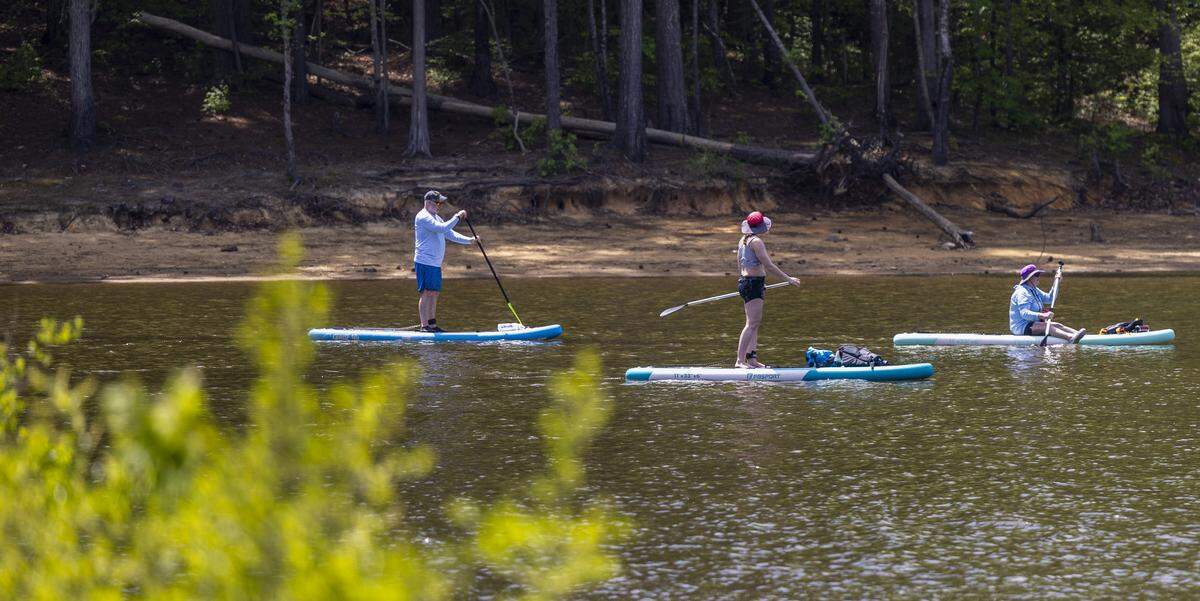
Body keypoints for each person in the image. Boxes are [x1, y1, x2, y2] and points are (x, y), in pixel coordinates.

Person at [735, 211, 801, 368]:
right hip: (752, 284)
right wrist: (789, 279)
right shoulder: (756, 242)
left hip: (749, 283)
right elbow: (769, 265)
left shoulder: (743, 240)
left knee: (753, 323)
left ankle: (752, 359)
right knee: (751, 324)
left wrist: (748, 282)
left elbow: (740, 264)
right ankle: (739, 361)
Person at [414, 190, 477, 332]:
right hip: (424, 261)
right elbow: (442, 228)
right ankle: (424, 326)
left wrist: (470, 240)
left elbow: (449, 233)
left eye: (441, 203)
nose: (439, 206)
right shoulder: (423, 217)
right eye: (438, 203)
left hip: (435, 263)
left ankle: (432, 325)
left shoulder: (436, 217)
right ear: (429, 202)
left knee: (434, 292)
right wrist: (457, 216)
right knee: (426, 293)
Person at [1009, 263, 1086, 343]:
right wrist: (1043, 315)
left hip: (1032, 324)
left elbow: (1050, 298)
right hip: (1021, 327)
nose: (1039, 277)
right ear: (1029, 278)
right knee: (1048, 327)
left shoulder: (1034, 290)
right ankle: (1071, 338)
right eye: (1037, 275)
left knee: (1058, 325)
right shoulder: (1022, 292)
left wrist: (1056, 283)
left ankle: (1080, 336)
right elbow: (1024, 313)